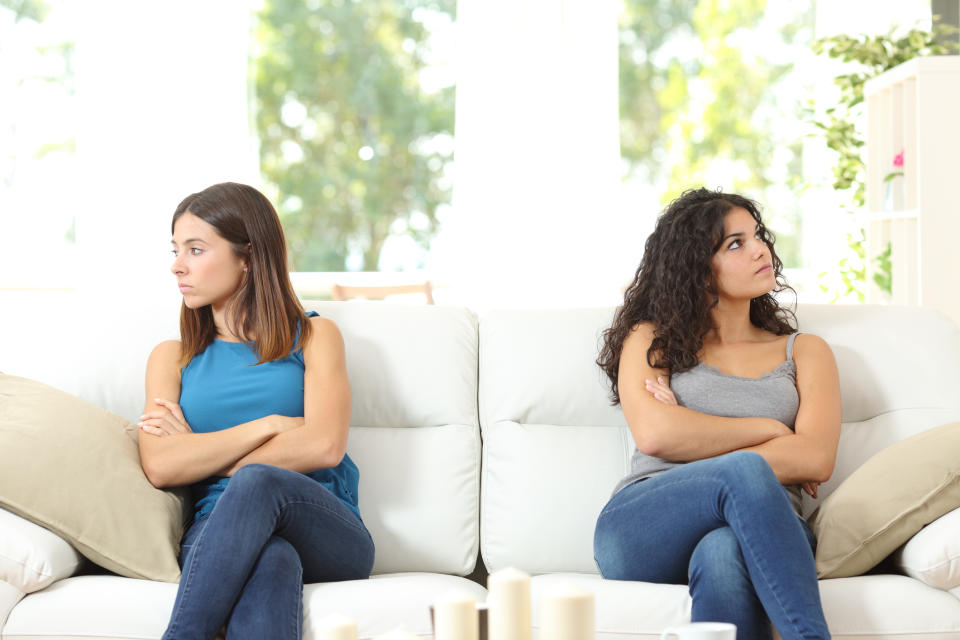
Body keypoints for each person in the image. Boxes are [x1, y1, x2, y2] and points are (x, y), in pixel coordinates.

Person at [593, 188, 840, 640]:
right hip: (646, 522)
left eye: (756, 235)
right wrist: (770, 431)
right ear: (697, 269)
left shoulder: (804, 351)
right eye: (735, 244)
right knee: (745, 470)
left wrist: (696, 434)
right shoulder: (652, 339)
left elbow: (816, 458)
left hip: (773, 529)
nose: (760, 248)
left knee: (722, 550)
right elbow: (654, 435)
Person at [138, 182, 375, 640]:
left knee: (259, 480)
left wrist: (200, 453)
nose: (176, 265)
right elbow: (161, 466)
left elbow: (324, 446)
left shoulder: (314, 337)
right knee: (273, 558)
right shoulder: (172, 357)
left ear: (247, 257)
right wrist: (267, 427)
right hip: (214, 533)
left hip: (329, 530)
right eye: (175, 250)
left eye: (195, 249)